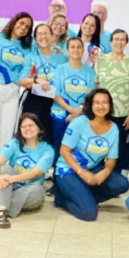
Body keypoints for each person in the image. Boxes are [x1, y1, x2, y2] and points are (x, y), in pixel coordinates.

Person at [54, 89, 129, 221]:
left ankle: (85, 197)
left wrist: (106, 171)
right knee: (89, 214)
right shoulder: (79, 122)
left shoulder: (114, 128)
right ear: (90, 105)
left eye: (105, 102)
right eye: (97, 103)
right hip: (68, 170)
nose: (101, 106)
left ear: (110, 105)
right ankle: (61, 199)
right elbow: (64, 151)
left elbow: (112, 159)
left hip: (91, 169)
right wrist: (81, 172)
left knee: (122, 184)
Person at [0, 12, 33, 185]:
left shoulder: (27, 48)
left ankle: (1, 173)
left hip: (13, 91)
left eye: (27, 27)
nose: (23, 28)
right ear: (14, 22)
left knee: (7, 136)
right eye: (21, 23)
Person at [0, 113, 54, 229]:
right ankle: (2, 212)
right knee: (4, 170)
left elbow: (36, 173)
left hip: (29, 189)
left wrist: (12, 179)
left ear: (39, 129)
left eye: (31, 125)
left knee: (37, 190)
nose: (27, 129)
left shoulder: (47, 149)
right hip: (10, 186)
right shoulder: (14, 143)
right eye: (23, 127)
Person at [94, 29, 129, 173]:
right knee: (101, 144)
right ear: (111, 41)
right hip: (102, 112)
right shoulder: (101, 61)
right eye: (116, 39)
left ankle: (117, 175)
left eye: (122, 40)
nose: (119, 42)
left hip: (123, 113)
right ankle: (98, 173)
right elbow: (96, 87)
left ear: (126, 43)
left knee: (119, 145)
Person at [19, 23, 68, 145]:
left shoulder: (62, 58)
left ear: (52, 35)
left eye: (46, 33)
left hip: (55, 101)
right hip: (34, 100)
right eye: (40, 34)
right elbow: (22, 81)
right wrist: (37, 80)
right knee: (31, 136)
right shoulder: (31, 57)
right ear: (35, 38)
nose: (43, 37)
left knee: (51, 138)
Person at [50, 37, 96, 169]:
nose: (76, 50)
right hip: (60, 116)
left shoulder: (90, 72)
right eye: (72, 47)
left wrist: (78, 112)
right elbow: (55, 93)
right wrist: (70, 110)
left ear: (83, 50)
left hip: (81, 117)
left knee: (76, 151)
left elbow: (90, 96)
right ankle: (58, 178)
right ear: (67, 50)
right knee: (59, 148)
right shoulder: (60, 69)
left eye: (79, 47)